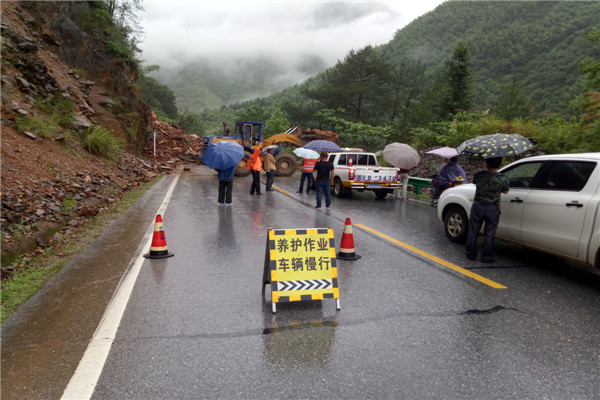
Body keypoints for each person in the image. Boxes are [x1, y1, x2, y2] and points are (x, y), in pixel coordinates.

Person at [465, 157, 509, 263]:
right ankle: (487, 257)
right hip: (492, 208)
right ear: (499, 164)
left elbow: (475, 183)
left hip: (478, 206)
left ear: (486, 164)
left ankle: (471, 254)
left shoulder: (479, 175)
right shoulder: (503, 178)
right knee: (489, 233)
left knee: (473, 231)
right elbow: (506, 191)